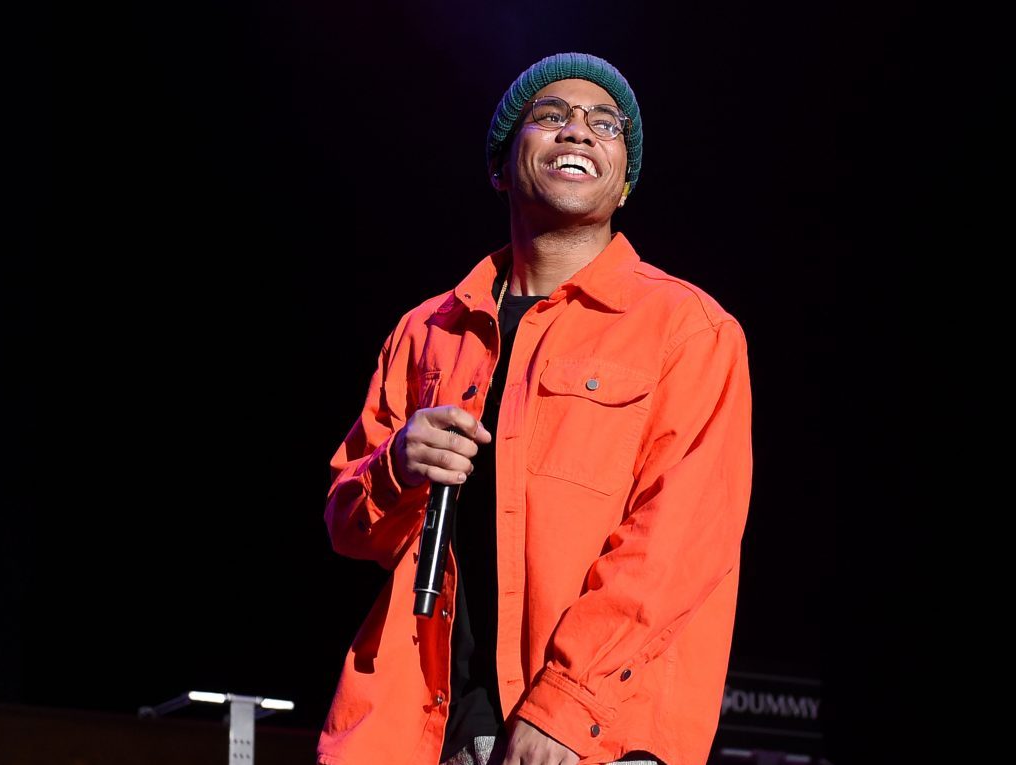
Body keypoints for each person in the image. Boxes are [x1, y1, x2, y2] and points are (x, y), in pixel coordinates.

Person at [318, 52, 752, 765]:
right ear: (500, 164)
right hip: (420, 733)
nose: (578, 130)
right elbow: (347, 526)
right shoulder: (427, 331)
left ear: (625, 183)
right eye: (551, 115)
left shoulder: (687, 329)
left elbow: (677, 543)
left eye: (605, 124)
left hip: (586, 737)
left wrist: (567, 704)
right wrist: (397, 466)